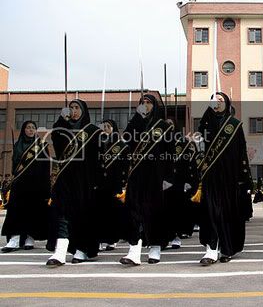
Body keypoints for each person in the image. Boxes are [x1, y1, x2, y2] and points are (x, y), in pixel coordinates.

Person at [194, 92, 252, 265]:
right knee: (211, 211)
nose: (217, 103)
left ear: (227, 103)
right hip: (210, 176)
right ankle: (211, 250)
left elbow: (242, 152)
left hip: (230, 177)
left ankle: (226, 248)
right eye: (214, 100)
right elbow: (199, 151)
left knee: (227, 213)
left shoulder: (234, 125)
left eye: (220, 100)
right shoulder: (204, 124)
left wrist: (244, 177)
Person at [119, 94, 175, 265]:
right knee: (133, 210)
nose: (145, 105)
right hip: (137, 173)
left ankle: (155, 246)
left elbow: (170, 154)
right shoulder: (136, 123)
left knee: (154, 211)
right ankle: (134, 249)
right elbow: (127, 140)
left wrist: (168, 177)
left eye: (149, 102)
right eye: (142, 102)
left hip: (156, 175)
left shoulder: (164, 127)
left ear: (155, 105)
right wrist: (138, 116)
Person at [47, 99, 102, 266]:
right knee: (62, 213)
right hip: (65, 178)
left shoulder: (92, 131)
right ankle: (60, 251)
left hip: (84, 180)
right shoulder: (63, 129)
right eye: (71, 108)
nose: (73, 111)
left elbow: (97, 158)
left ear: (84, 110)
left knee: (81, 215)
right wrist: (61, 120)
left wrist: (97, 181)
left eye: (77, 107)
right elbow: (56, 141)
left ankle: (81, 249)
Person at [1, 121, 50, 252]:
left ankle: (30, 238)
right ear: (23, 130)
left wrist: (46, 187)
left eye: (33, 128)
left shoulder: (42, 146)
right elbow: (14, 166)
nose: (31, 130)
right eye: (28, 128)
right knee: (16, 211)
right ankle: (15, 239)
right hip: (19, 184)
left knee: (33, 212)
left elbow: (46, 167)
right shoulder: (18, 145)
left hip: (36, 185)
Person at [95, 119, 129, 251]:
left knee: (113, 213)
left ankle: (111, 239)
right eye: (103, 127)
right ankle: (100, 239)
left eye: (108, 126)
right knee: (100, 213)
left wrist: (123, 182)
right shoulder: (98, 143)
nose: (106, 129)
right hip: (100, 184)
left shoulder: (121, 146)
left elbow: (125, 166)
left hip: (114, 183)